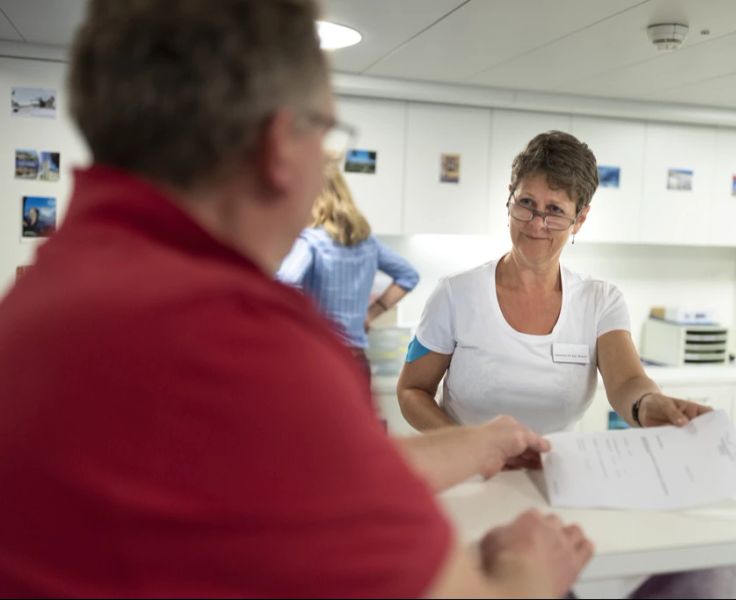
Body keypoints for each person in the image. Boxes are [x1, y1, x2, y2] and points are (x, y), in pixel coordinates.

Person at [0, 1, 592, 597]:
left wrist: (480, 441)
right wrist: (529, 572)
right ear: (280, 146)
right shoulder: (239, 344)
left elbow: (327, 472)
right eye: (325, 130)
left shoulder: (41, 301)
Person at [398, 131, 711, 435]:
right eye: (526, 203)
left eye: (555, 211)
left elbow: (627, 382)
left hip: (557, 479)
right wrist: (465, 445)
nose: (536, 224)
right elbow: (412, 390)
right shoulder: (456, 294)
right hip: (468, 476)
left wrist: (647, 403)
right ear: (509, 199)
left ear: (580, 219)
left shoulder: (600, 301)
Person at [277, 159, 419, 380]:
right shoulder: (367, 242)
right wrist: (371, 313)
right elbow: (408, 275)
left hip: (318, 358)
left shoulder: (311, 241)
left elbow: (282, 283)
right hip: (357, 362)